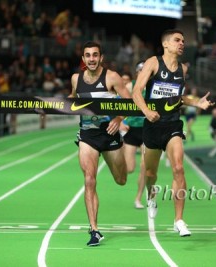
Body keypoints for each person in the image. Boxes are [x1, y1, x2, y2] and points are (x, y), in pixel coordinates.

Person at [132, 29, 214, 237]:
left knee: (178, 167)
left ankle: (179, 220)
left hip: (172, 125)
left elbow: (180, 98)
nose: (182, 43)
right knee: (150, 174)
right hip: (152, 126)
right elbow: (136, 91)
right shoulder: (153, 63)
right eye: (177, 40)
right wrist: (147, 111)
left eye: (183, 41)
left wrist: (197, 103)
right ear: (166, 44)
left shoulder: (182, 70)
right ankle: (151, 195)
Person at [68, 41, 131, 247]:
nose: (92, 59)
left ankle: (124, 154)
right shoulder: (76, 79)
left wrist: (119, 119)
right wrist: (51, 106)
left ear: (101, 57)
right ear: (84, 58)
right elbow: (70, 99)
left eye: (95, 55)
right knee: (89, 179)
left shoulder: (112, 77)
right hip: (88, 134)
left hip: (110, 133)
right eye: (88, 55)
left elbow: (130, 101)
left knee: (121, 179)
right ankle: (94, 230)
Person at [120, 61, 147, 209]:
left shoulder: (152, 88)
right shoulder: (130, 87)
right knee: (129, 168)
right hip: (131, 130)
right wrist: (120, 121)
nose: (142, 72)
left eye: (145, 70)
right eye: (140, 70)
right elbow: (117, 103)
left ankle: (138, 198)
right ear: (136, 72)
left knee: (144, 165)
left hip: (146, 130)